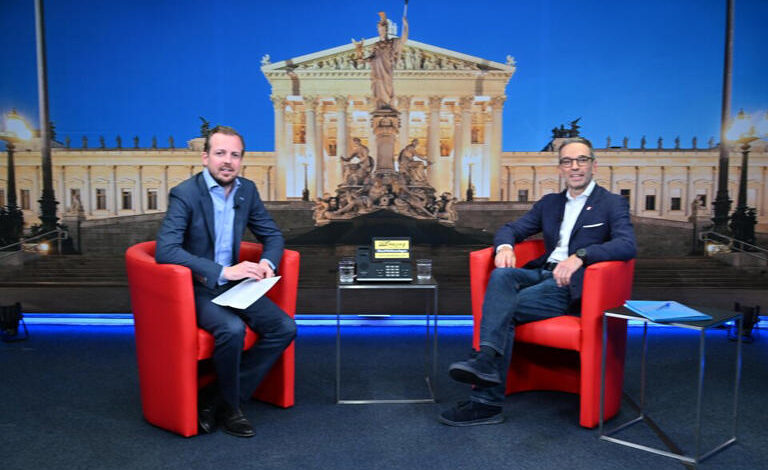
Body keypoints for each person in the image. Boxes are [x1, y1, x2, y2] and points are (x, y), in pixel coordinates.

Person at [440, 136, 636, 426]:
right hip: (542, 272)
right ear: (560, 169)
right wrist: (504, 247)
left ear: (594, 166)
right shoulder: (549, 204)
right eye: (567, 161)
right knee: (502, 274)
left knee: (502, 309)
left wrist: (581, 256)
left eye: (582, 160)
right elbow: (510, 229)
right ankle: (485, 364)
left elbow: (627, 245)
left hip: (571, 285)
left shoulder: (611, 203)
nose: (575, 167)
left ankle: (486, 398)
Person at [155, 126, 297, 438]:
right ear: (205, 157)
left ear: (241, 160)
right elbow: (166, 250)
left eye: (234, 155)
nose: (227, 161)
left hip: (236, 285)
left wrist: (266, 263)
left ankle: (215, 397)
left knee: (285, 327)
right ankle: (232, 409)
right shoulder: (185, 193)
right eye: (220, 153)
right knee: (231, 330)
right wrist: (223, 271)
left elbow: (273, 236)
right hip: (196, 286)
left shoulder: (247, 190)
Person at [354, 12, 409, 109]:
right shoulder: (376, 45)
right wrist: (363, 60)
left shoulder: (392, 43)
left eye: (383, 30)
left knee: (387, 88)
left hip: (386, 70)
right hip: (377, 72)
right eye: (380, 30)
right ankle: (381, 107)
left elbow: (403, 39)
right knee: (378, 90)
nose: (382, 32)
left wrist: (405, 26)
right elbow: (372, 57)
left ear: (386, 30)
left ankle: (387, 105)